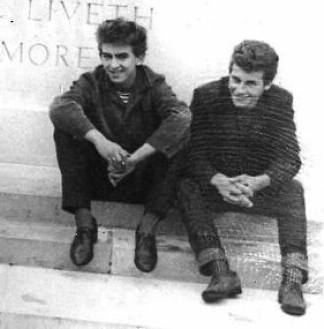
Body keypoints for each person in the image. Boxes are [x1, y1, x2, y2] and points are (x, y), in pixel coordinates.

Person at [177, 40, 308, 315]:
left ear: (267, 85)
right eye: (235, 80)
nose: (239, 89)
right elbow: (193, 154)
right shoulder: (206, 96)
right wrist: (218, 180)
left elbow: (290, 158)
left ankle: (292, 282)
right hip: (216, 188)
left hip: (256, 191)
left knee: (293, 190)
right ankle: (220, 272)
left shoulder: (281, 101)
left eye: (250, 84)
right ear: (229, 72)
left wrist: (258, 182)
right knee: (185, 185)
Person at [50, 18, 190, 272]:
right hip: (102, 177)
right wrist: (99, 140)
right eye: (107, 56)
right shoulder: (92, 82)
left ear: (139, 57)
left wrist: (135, 159)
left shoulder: (154, 85)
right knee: (65, 131)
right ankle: (84, 226)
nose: (113, 65)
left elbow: (181, 117)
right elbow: (60, 107)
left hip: (141, 181)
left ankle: (146, 231)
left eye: (122, 57)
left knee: (180, 139)